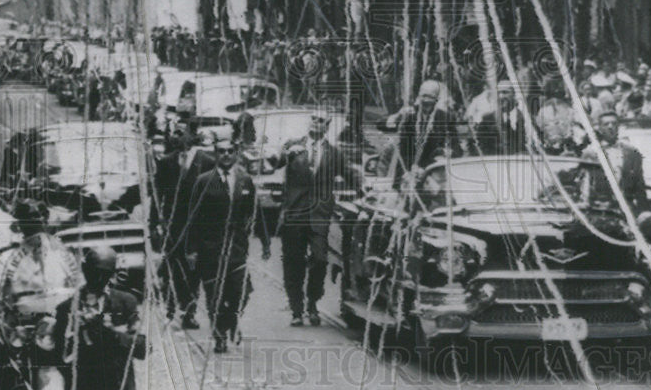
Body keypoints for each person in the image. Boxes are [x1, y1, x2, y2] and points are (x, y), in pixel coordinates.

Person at [270, 111, 357, 327]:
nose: (317, 124)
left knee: (319, 259)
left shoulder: (334, 153)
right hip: (294, 212)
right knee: (293, 262)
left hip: (319, 214)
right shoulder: (294, 145)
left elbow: (350, 176)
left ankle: (313, 303)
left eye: (323, 121)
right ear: (309, 122)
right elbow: (274, 163)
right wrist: (285, 152)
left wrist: (367, 186)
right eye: (314, 119)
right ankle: (297, 309)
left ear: (327, 126)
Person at [187, 139, 269, 353]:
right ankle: (220, 336)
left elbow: (255, 212)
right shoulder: (204, 181)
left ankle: (232, 320)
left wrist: (265, 241)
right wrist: (192, 249)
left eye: (229, 151)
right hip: (210, 249)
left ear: (236, 154)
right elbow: (193, 217)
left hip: (237, 249)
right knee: (215, 296)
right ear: (215, 155)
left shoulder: (244, 180)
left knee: (241, 291)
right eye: (221, 151)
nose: (225, 155)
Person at [54, 246, 146, 390]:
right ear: (84, 269)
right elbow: (58, 355)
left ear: (112, 274)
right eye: (94, 272)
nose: (98, 279)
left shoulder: (125, 303)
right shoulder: (66, 308)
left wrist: (112, 334)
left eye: (105, 274)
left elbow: (142, 348)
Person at [152, 123, 215, 328]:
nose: (176, 137)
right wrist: (154, 223)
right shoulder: (166, 162)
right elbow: (157, 194)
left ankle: (189, 312)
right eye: (174, 133)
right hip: (173, 224)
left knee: (194, 270)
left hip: (199, 224)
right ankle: (170, 306)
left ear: (192, 134)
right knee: (173, 266)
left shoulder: (206, 162)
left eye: (181, 132)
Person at [378, 80, 462, 183]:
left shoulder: (446, 118)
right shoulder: (409, 114)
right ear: (418, 96)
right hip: (406, 170)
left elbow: (457, 149)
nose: (426, 101)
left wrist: (445, 153)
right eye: (424, 96)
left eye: (431, 97)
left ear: (437, 99)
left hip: (431, 170)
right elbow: (382, 125)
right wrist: (397, 116)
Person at [582, 111, 650, 213]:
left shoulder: (632, 153)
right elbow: (585, 183)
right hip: (599, 210)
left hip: (626, 210)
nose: (610, 127)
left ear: (618, 127)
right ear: (599, 128)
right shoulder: (591, 153)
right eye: (606, 124)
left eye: (614, 124)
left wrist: (643, 211)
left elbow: (639, 185)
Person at [474, 80, 529, 156]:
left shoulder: (526, 118)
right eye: (498, 93)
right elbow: (481, 149)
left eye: (505, 92)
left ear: (514, 94)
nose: (501, 96)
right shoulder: (488, 120)